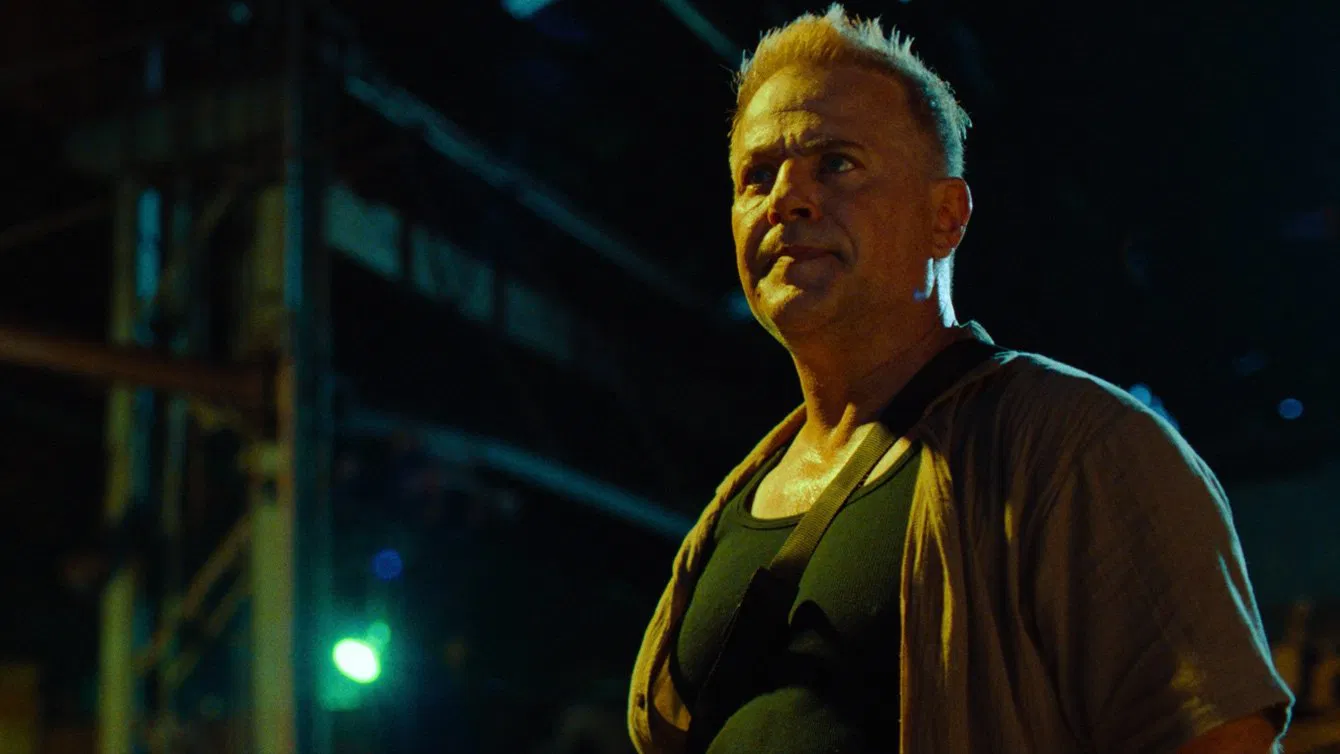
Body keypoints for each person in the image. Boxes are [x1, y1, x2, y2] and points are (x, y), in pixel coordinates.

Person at [627, 5, 1294, 753]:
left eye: (836, 163)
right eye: (756, 176)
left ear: (945, 216)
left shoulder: (1081, 449)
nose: (786, 197)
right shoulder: (730, 508)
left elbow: (1219, 738)